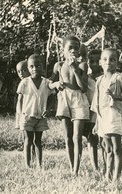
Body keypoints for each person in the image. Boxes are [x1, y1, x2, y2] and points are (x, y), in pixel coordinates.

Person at [49, 35, 89, 176]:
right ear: (63, 49)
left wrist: (75, 69)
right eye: (70, 47)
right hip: (64, 99)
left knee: (77, 137)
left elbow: (83, 87)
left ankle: (76, 171)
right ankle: (72, 166)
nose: (73, 50)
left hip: (78, 99)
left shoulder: (82, 65)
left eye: (76, 48)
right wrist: (55, 84)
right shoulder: (58, 65)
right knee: (68, 136)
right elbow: (49, 83)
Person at [91, 48, 122, 181]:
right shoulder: (99, 80)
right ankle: (107, 174)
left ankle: (116, 178)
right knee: (106, 148)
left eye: (112, 60)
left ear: (117, 63)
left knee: (116, 148)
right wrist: (96, 122)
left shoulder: (119, 78)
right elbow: (96, 102)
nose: (108, 62)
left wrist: (115, 96)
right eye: (105, 59)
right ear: (100, 62)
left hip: (113, 114)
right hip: (102, 116)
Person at [16, 54, 52, 168]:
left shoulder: (46, 83)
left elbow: (52, 97)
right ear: (28, 68)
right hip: (27, 116)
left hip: (41, 117)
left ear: (42, 66)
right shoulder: (25, 82)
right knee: (28, 140)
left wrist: (48, 109)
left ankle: (39, 164)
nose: (35, 68)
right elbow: (20, 100)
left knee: (38, 141)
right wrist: (21, 115)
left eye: (38, 65)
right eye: (32, 66)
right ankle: (27, 165)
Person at [84, 49, 102, 171]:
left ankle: (107, 163)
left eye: (98, 61)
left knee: (105, 139)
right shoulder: (86, 78)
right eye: (92, 61)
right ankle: (95, 166)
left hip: (104, 112)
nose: (95, 64)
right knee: (92, 138)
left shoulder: (105, 77)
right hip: (92, 112)